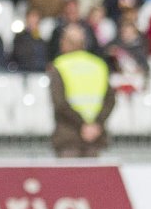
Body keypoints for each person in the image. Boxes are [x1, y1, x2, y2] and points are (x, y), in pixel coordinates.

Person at [49, 23, 116, 157]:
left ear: (65, 42)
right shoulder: (99, 65)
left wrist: (82, 125)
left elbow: (60, 103)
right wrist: (95, 124)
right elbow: (110, 100)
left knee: (69, 177)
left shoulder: (59, 66)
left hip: (68, 137)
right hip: (95, 137)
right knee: (95, 177)